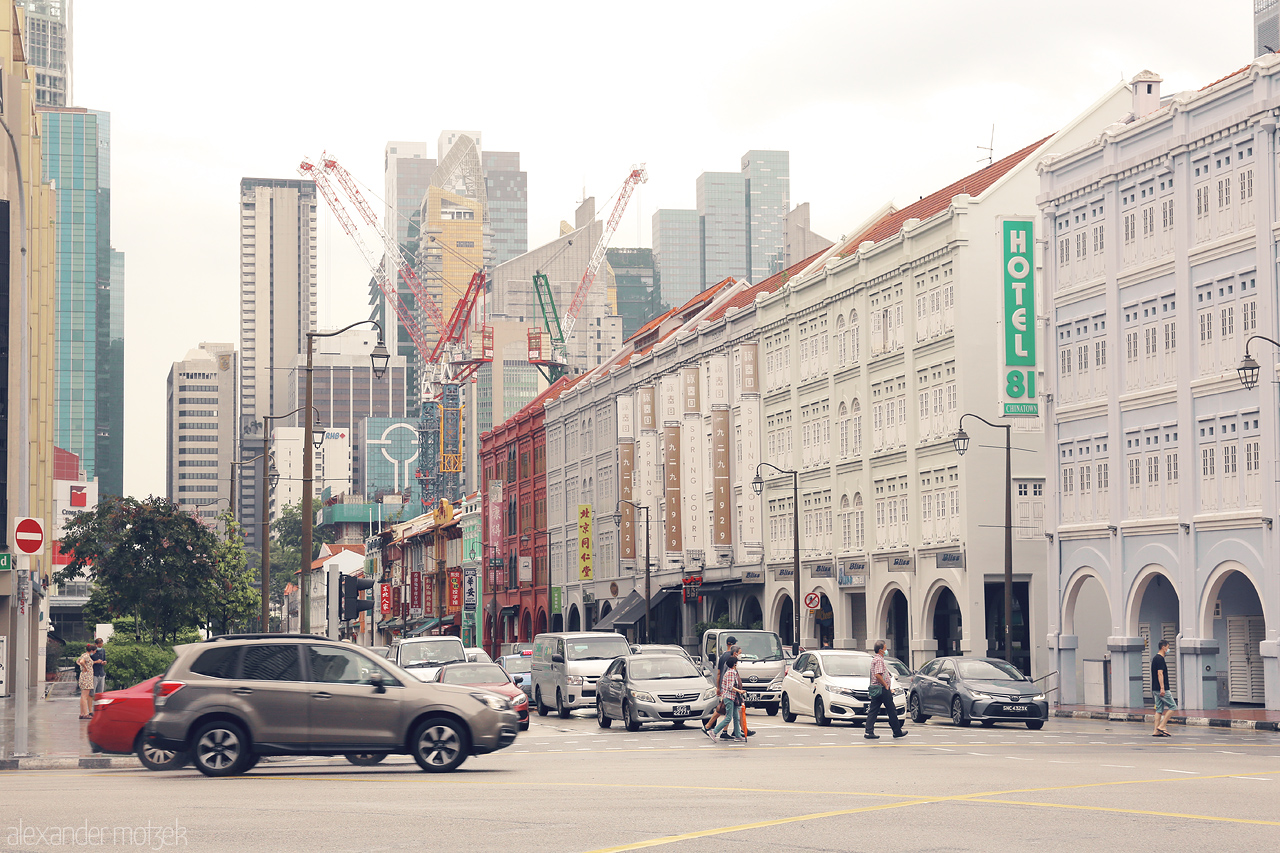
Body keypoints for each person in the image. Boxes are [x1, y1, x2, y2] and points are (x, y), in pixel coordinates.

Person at [864, 640, 907, 740]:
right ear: (880, 650)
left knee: (873, 710)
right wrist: (886, 685)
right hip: (882, 689)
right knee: (891, 710)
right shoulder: (879, 660)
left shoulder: (875, 659)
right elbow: (878, 675)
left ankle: (868, 731)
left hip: (877, 689)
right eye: (885, 648)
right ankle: (897, 731)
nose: (886, 650)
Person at [702, 637, 738, 735]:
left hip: (724, 685)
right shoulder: (731, 657)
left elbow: (718, 673)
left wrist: (718, 687)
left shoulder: (722, 657)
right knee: (723, 709)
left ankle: (732, 731)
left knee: (727, 709)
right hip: (729, 688)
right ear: (734, 645)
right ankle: (710, 727)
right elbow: (731, 674)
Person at [707, 656, 746, 743]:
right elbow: (730, 687)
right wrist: (740, 691)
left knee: (736, 717)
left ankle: (738, 735)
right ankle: (714, 732)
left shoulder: (731, 672)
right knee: (729, 717)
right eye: (736, 662)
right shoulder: (731, 673)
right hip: (729, 697)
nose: (737, 664)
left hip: (732, 697)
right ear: (734, 664)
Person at [1152, 639, 1176, 737]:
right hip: (1162, 689)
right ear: (1163, 647)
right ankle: (1162, 726)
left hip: (1155, 688)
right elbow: (1160, 673)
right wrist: (1162, 688)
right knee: (1173, 707)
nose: (1168, 649)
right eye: (1168, 647)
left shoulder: (1155, 658)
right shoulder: (1160, 659)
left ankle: (1156, 730)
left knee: (1159, 710)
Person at [76, 643, 96, 719]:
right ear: (91, 650)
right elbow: (81, 662)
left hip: (84, 677)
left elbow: (78, 661)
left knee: (83, 696)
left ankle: (82, 713)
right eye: (94, 651)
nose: (94, 652)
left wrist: (82, 667)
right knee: (85, 696)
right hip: (87, 677)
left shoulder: (83, 655)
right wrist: (85, 667)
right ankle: (85, 713)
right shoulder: (86, 656)